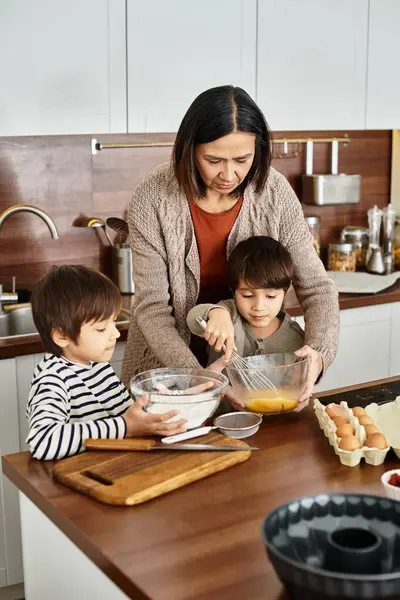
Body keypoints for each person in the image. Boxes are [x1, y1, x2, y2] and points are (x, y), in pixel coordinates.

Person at [121, 85, 339, 408]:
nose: (229, 174)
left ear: (258, 151)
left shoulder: (274, 193)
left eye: (242, 159)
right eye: (214, 160)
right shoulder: (152, 197)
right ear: (190, 149)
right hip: (164, 382)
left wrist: (318, 355)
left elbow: (318, 289)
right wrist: (205, 380)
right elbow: (151, 310)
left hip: (252, 379)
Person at [26, 265, 186, 460]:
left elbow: (126, 416)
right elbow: (43, 441)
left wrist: (155, 407)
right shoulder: (52, 379)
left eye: (114, 321)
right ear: (61, 335)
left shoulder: (98, 366)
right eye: (101, 328)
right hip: (82, 478)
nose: (116, 334)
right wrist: (125, 427)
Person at [187, 236, 305, 410]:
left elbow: (297, 385)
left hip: (274, 420)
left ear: (285, 292)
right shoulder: (228, 315)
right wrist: (216, 313)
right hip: (217, 415)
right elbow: (193, 319)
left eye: (271, 296)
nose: (259, 306)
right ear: (233, 292)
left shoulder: (295, 337)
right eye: (248, 296)